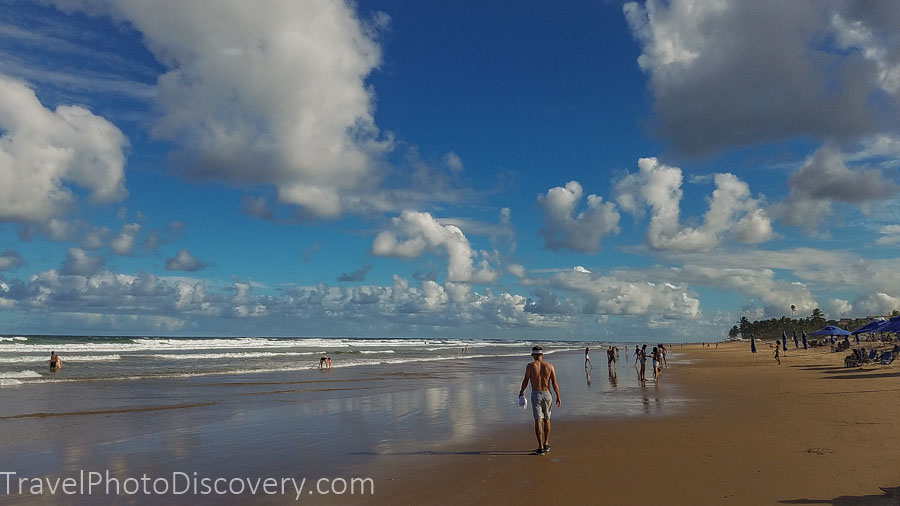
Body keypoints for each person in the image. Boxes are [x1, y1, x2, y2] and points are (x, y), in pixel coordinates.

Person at [518, 345, 561, 455]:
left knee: (538, 420)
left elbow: (526, 380)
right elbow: (554, 383)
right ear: (541, 354)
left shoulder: (530, 366)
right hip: (547, 394)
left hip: (536, 393)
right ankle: (546, 443)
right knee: (547, 419)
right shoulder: (550, 366)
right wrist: (558, 396)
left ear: (534, 355)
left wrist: (521, 391)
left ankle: (540, 447)